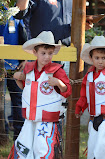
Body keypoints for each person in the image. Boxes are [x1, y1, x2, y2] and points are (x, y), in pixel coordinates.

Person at [8, 31, 72, 159]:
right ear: (35, 52)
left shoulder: (57, 71)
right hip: (29, 119)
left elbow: (67, 90)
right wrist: (17, 79)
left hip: (46, 120)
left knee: (42, 148)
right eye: (43, 53)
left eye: (50, 53)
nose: (47, 57)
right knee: (24, 147)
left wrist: (59, 83)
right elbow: (24, 86)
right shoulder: (28, 68)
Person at [15, 0, 93, 46]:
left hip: (68, 54)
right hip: (42, 54)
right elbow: (19, 13)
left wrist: (83, 25)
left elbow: (74, 23)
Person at [0, 8, 27, 139]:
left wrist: (25, 59)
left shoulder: (17, 14)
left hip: (15, 67)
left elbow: (24, 37)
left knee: (18, 100)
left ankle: (19, 136)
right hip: (2, 66)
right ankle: (3, 134)